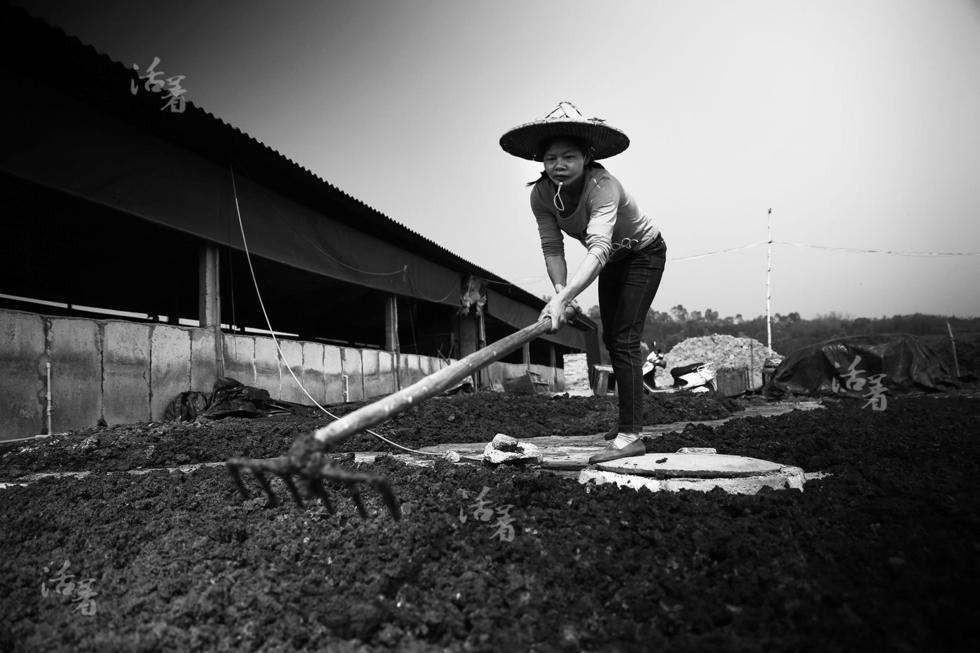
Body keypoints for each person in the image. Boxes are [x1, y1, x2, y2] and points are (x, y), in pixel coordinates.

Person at [500, 102, 667, 463]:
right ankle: (628, 420)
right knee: (612, 339)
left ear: (587, 157)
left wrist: (564, 300)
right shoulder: (541, 195)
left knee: (623, 338)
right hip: (612, 260)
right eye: (551, 159)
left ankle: (632, 435)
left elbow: (599, 248)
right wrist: (560, 293)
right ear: (541, 162)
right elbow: (552, 246)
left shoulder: (603, 186)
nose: (559, 165)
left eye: (569, 157)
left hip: (643, 253)